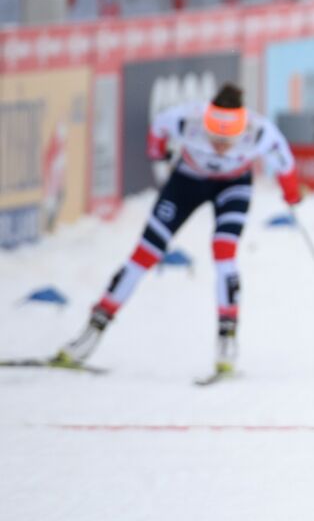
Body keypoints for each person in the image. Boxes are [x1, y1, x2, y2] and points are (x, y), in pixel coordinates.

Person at [54, 83, 301, 378]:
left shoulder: (260, 131)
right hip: (187, 182)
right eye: (214, 138)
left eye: (228, 140)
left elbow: (286, 165)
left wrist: (291, 194)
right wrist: (157, 153)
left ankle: (226, 344)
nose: (220, 146)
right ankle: (90, 334)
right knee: (145, 253)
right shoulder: (186, 119)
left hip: (233, 186)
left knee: (224, 255)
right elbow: (157, 131)